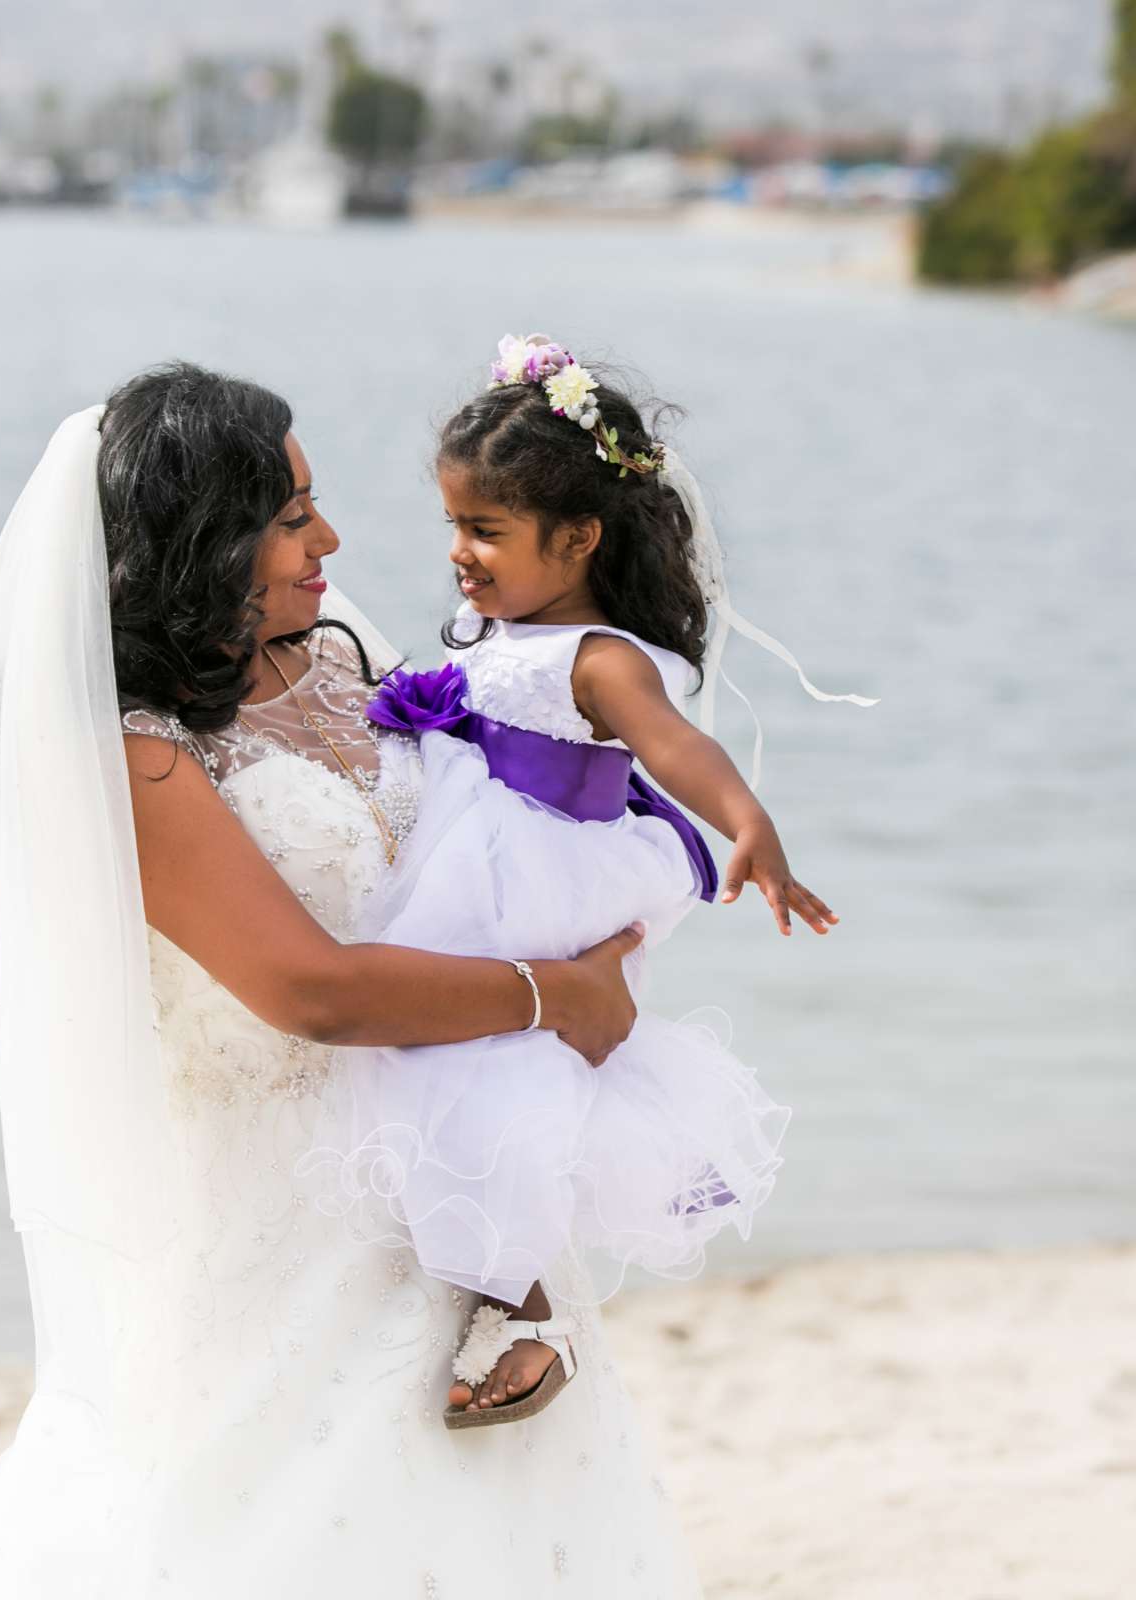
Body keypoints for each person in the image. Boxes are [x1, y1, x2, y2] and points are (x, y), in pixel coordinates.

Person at [0, 362, 707, 1596]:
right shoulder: (135, 749)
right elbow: (308, 987)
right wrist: (554, 994)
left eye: (312, 505)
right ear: (201, 540)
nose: (330, 538)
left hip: (452, 1183)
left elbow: (494, 839)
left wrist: (616, 914)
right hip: (280, 1219)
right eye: (288, 518)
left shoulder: (343, 661)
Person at [299, 336, 869, 1428]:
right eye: (455, 527)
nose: (461, 553)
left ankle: (518, 1299)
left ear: (578, 539)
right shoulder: (503, 628)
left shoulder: (601, 657)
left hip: (530, 870)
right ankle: (498, 1287)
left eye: (488, 531)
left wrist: (748, 822)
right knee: (447, 1062)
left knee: (455, 1067)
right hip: (473, 851)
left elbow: (675, 748)